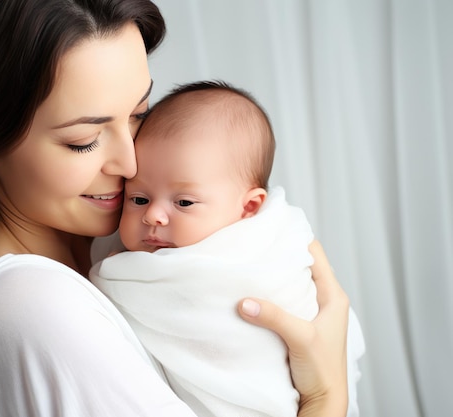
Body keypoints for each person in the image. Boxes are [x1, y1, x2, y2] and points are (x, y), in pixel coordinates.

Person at [0, 1, 351, 416]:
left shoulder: (102, 261)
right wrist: (326, 397)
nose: (130, 163)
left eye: (138, 115)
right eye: (83, 140)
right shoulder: (31, 305)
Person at [90, 80, 365, 417]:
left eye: (185, 202)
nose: (153, 215)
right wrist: (323, 398)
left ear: (249, 207)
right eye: (139, 198)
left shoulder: (272, 247)